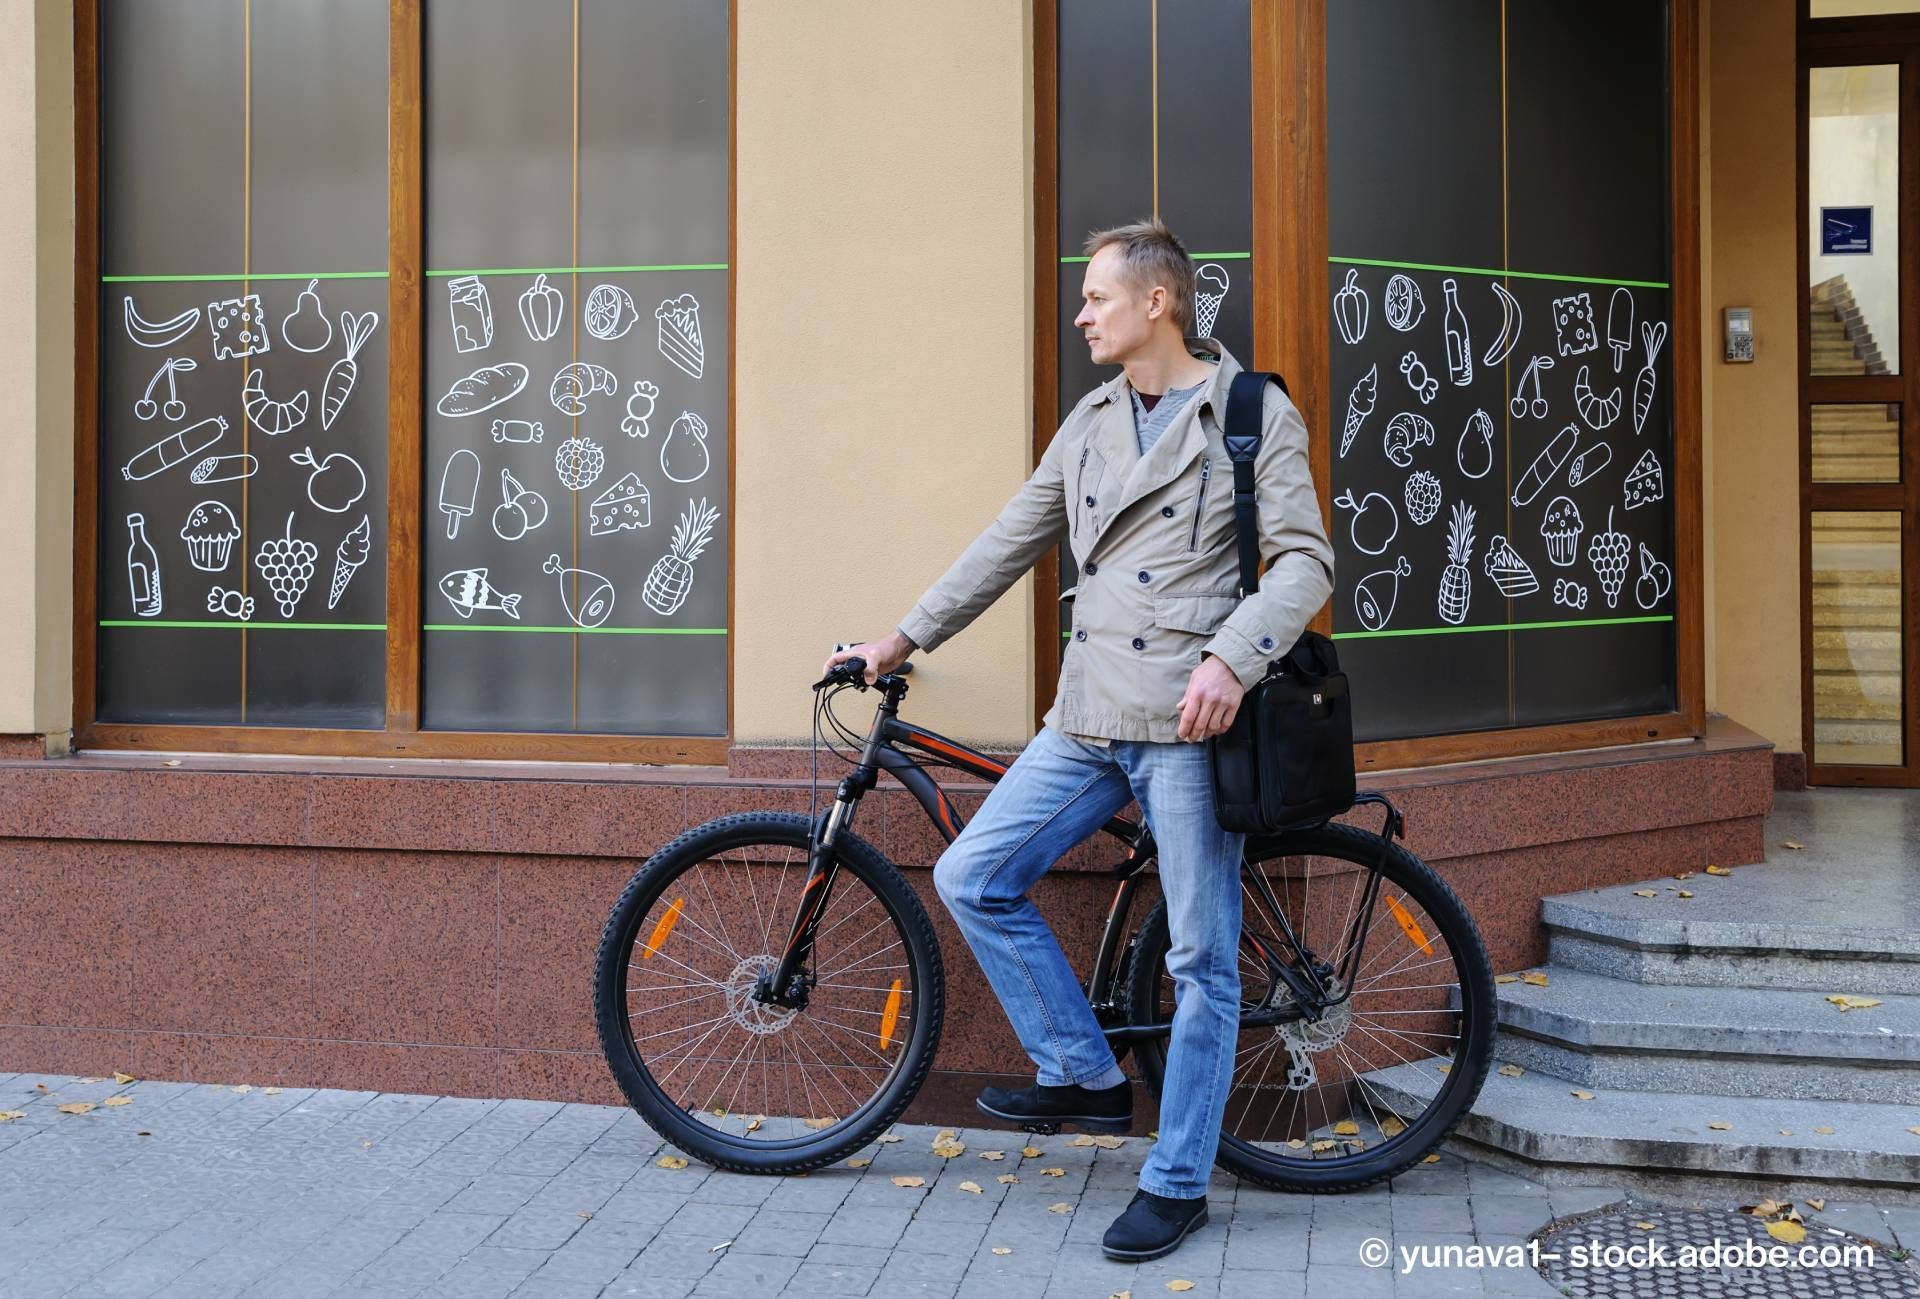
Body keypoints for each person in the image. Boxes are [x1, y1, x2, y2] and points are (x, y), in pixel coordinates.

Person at [823, 218, 1333, 1261]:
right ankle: (1088, 1072)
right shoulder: (1093, 419)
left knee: (1201, 963)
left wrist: (1231, 659)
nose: (1082, 313)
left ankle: (1179, 1177)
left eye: (1098, 297)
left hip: (1191, 725)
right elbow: (1010, 539)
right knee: (974, 872)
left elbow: (1304, 564)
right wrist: (902, 636)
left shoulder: (1250, 412)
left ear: (1158, 304)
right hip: (1090, 714)